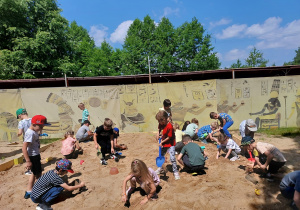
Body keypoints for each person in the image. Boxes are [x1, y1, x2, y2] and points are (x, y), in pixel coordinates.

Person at [22, 115, 51, 199]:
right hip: (33, 156)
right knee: (38, 174)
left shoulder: (33, 131)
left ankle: (29, 191)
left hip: (35, 155)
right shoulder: (30, 133)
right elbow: (24, 148)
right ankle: (37, 191)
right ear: (34, 124)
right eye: (41, 126)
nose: (42, 128)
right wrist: (28, 161)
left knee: (34, 173)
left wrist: (40, 132)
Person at [155, 110, 180, 180]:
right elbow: (159, 129)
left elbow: (169, 137)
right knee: (161, 156)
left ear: (165, 119)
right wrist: (158, 134)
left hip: (170, 143)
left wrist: (162, 142)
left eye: (160, 121)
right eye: (158, 121)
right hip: (164, 142)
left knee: (172, 158)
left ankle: (175, 171)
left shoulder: (170, 126)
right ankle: (161, 168)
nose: (159, 123)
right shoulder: (161, 123)